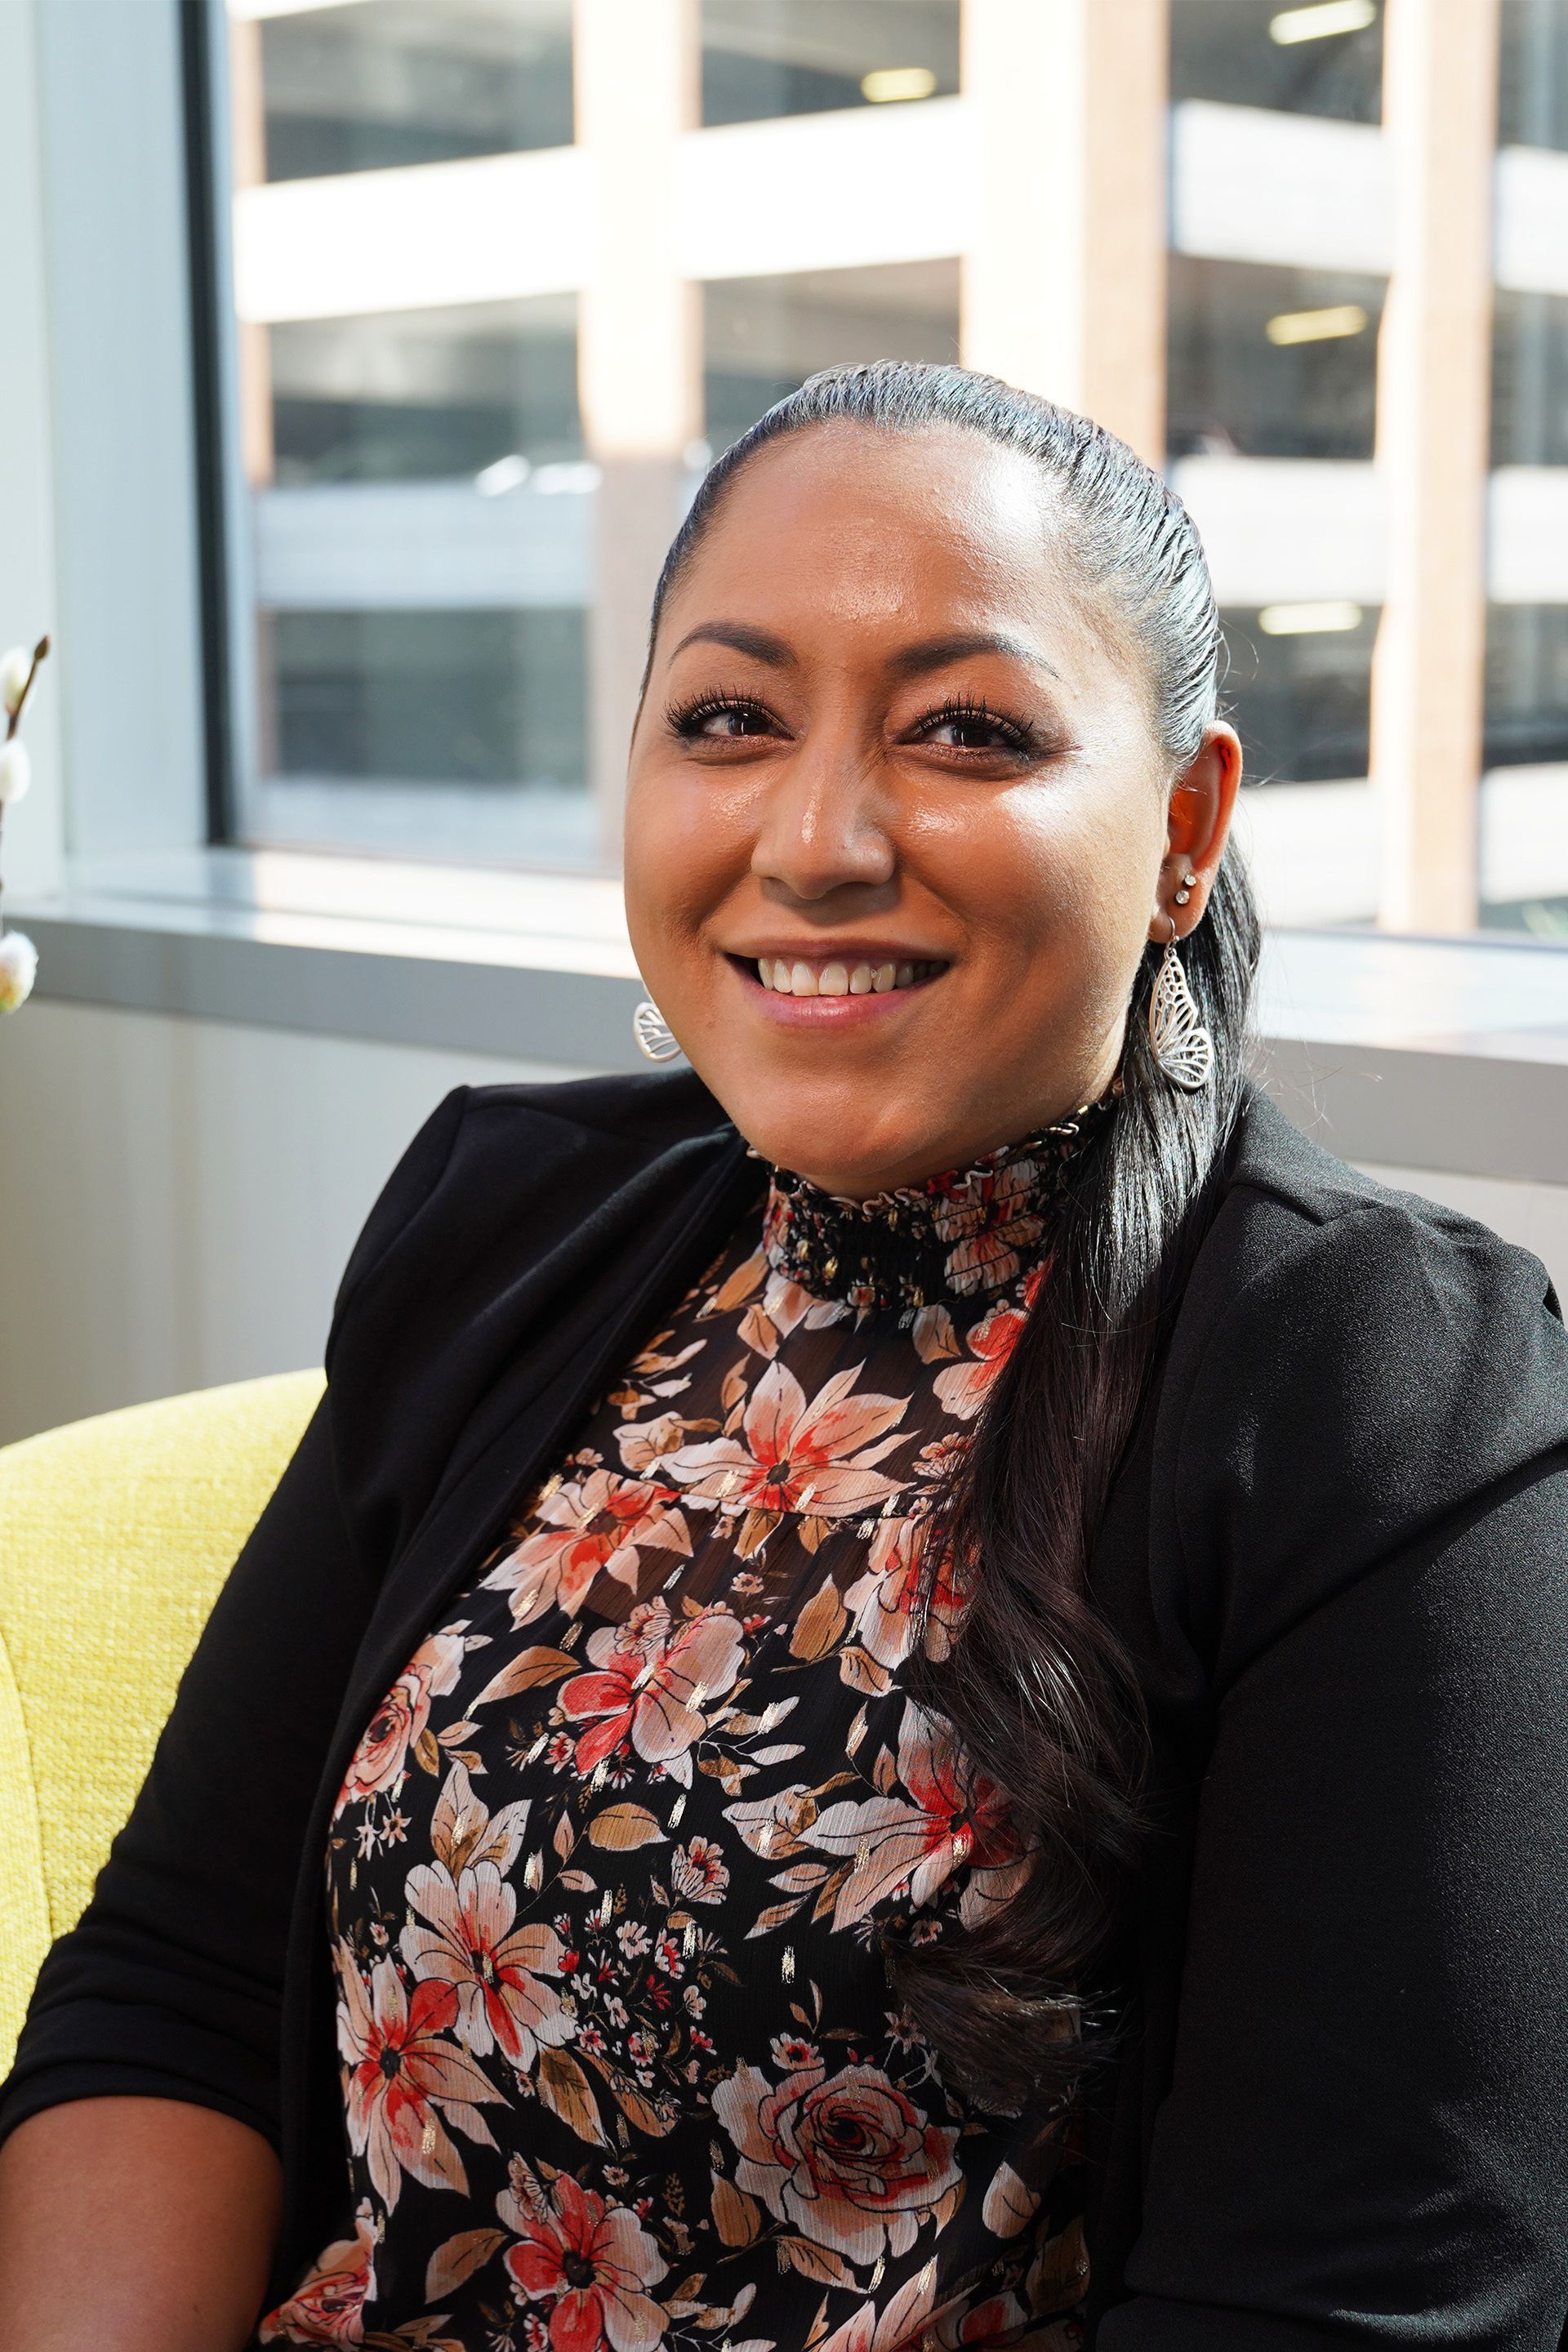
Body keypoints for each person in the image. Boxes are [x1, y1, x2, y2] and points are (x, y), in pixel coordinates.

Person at [3, 362, 1567, 2352]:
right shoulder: (508, 1221)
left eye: (965, 732)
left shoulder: (1387, 1388)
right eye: (729, 720)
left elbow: (1357, 2304)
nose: (817, 839)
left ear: (1184, 832)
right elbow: (182, 1980)